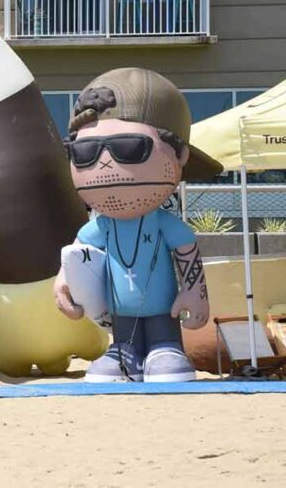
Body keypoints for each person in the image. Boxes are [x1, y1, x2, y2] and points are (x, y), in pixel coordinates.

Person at [54, 68, 221, 383]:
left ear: (179, 155)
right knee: (122, 346)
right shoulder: (101, 226)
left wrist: (194, 293)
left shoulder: (162, 223)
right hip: (120, 314)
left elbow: (187, 252)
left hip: (162, 311)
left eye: (129, 148)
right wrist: (64, 282)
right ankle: (124, 350)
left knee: (164, 351)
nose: (104, 163)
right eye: (85, 152)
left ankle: (165, 346)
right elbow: (78, 254)